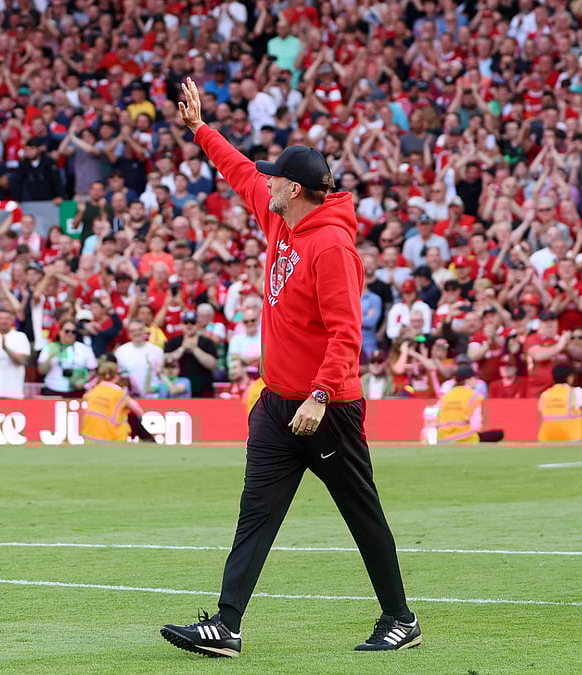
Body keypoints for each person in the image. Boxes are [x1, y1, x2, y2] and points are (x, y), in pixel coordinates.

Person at [160, 79, 420, 658]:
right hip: (277, 404)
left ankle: (400, 619)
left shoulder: (332, 247)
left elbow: (346, 333)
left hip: (327, 409)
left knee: (361, 514)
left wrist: (320, 395)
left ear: (294, 188)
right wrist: (200, 129)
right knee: (255, 514)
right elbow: (238, 171)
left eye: (274, 176)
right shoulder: (282, 217)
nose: (266, 181)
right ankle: (226, 625)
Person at [79, 360, 151, 442]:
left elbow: (86, 397)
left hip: (89, 437)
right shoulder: (119, 393)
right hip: (110, 437)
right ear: (116, 376)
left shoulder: (94, 390)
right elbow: (137, 410)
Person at [537, 364, 582, 443]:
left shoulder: (545, 394)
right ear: (569, 378)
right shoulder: (575, 392)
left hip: (546, 439)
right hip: (571, 438)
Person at [434, 365, 504, 443]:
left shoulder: (446, 396)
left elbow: (434, 417)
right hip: (466, 439)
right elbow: (476, 426)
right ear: (467, 380)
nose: (477, 381)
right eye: (475, 378)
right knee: (499, 434)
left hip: (444, 439)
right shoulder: (473, 396)